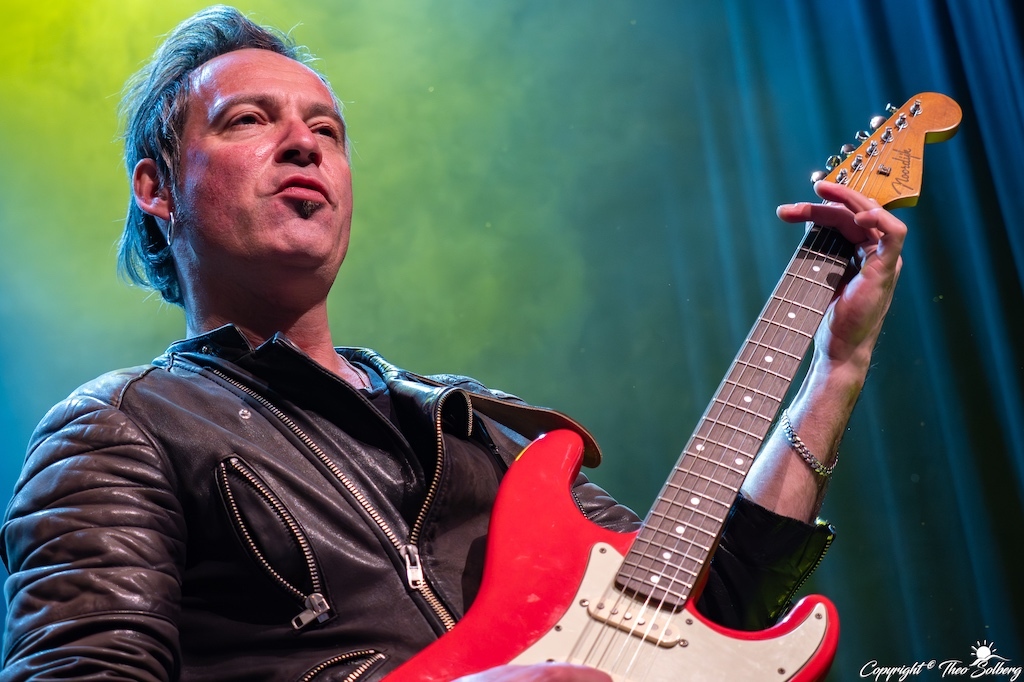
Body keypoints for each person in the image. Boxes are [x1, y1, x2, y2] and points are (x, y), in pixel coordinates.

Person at [0, 6, 906, 682]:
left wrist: (836, 367)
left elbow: (707, 612)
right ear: (156, 188)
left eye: (327, 130)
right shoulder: (119, 430)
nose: (304, 146)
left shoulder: (478, 434)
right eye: (248, 120)